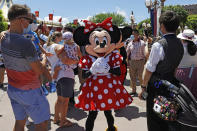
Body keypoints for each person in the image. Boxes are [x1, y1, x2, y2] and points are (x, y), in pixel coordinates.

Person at [0, 4, 50, 131]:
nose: (30, 23)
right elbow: (39, 70)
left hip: (13, 88)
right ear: (20, 20)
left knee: (19, 122)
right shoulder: (25, 43)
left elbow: (4, 32)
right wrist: (44, 59)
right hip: (30, 91)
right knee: (42, 124)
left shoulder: (3, 37)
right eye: (29, 20)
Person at [139, 11, 184, 131]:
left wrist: (143, 87)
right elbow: (175, 67)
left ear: (162, 26)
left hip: (156, 85)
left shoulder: (158, 45)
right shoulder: (180, 44)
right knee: (168, 114)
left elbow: (149, 69)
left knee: (154, 116)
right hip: (171, 83)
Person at [176, 29, 197, 99]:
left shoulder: (179, 48)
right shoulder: (195, 48)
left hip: (181, 73)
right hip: (194, 73)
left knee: (181, 95)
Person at [126, 29, 146, 96]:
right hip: (132, 62)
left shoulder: (143, 43)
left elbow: (145, 53)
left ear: (138, 35)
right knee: (132, 77)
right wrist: (127, 62)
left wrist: (144, 62)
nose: (132, 36)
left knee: (140, 77)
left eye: (134, 34)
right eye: (132, 34)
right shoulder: (130, 43)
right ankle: (134, 90)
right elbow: (127, 53)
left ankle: (143, 91)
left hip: (140, 62)